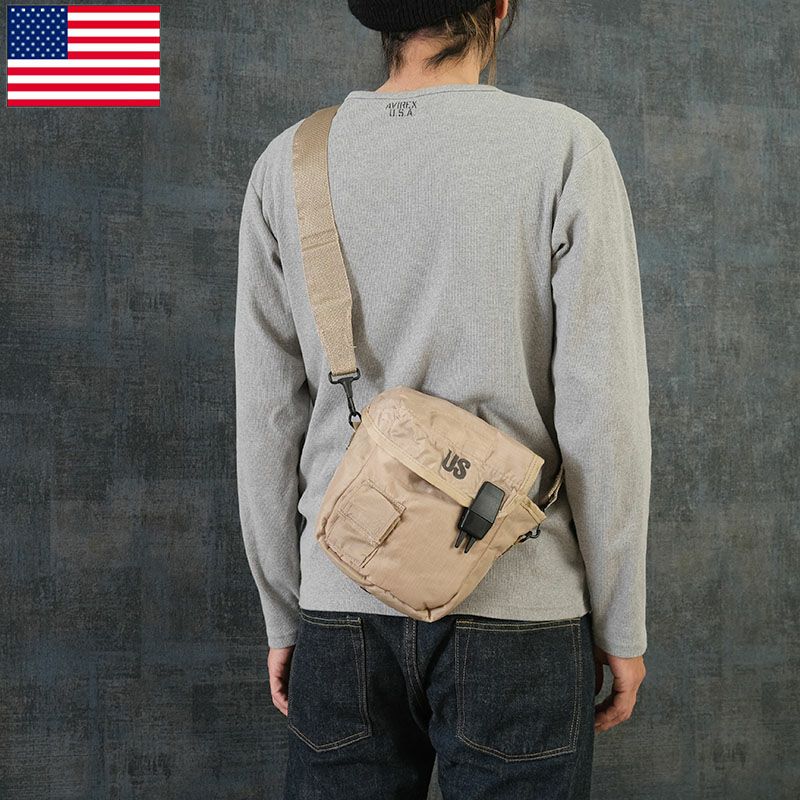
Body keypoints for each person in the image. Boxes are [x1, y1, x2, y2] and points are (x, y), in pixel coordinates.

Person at [234, 1, 650, 797]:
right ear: (498, 7)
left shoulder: (289, 162)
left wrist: (285, 611)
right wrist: (620, 619)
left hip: (342, 600)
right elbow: (605, 418)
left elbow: (265, 421)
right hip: (520, 605)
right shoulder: (564, 148)